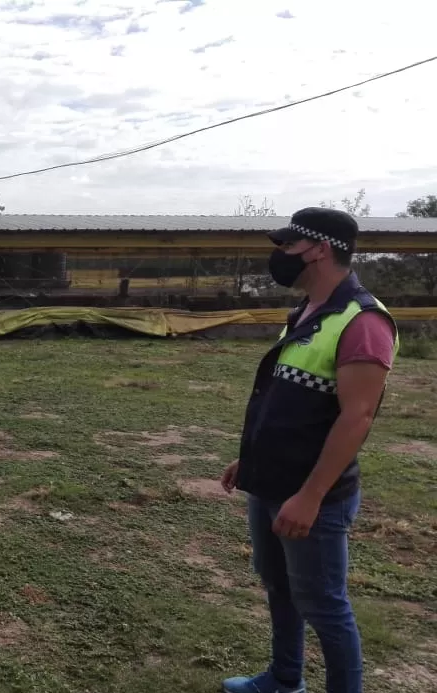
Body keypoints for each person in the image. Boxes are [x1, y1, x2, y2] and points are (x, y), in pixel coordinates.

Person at [220, 207, 398, 693]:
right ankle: (284, 679)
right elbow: (288, 398)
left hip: (312, 494)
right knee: (278, 586)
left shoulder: (362, 321)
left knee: (323, 603)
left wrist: (312, 496)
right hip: (270, 480)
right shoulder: (305, 314)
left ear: (318, 249)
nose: (280, 255)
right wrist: (251, 458)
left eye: (288, 245)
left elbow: (356, 416)